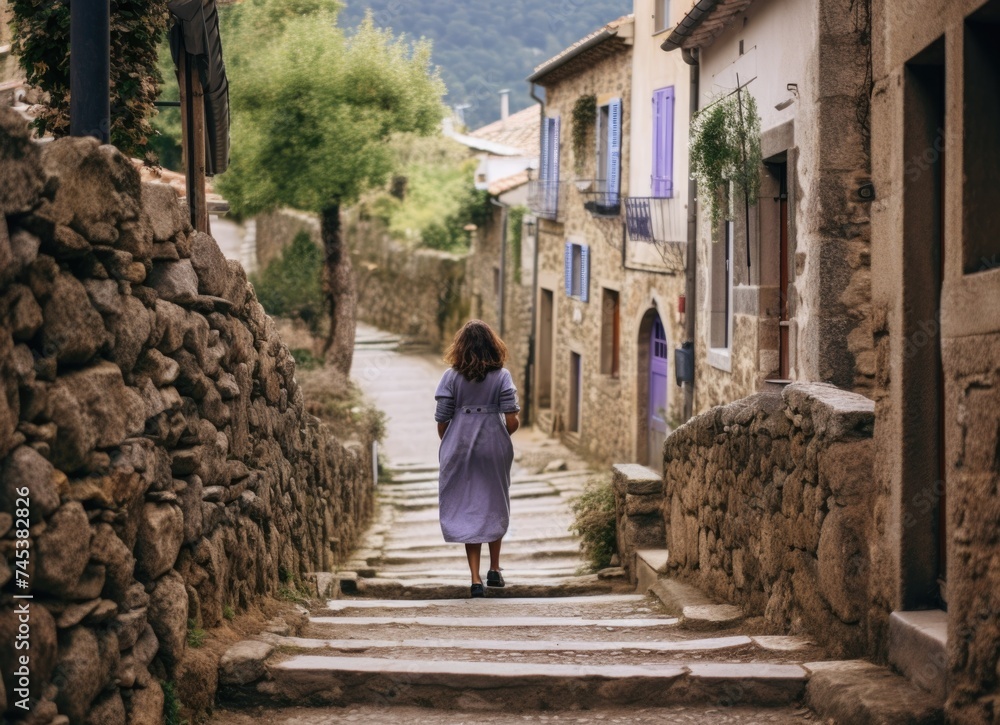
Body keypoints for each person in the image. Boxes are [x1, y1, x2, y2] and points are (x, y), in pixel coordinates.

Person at [434, 320, 520, 598]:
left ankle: (475, 580)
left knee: (468, 507)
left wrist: (454, 443)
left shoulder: (450, 377)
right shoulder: (502, 376)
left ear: (460, 346)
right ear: (493, 345)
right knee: (495, 502)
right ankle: (495, 568)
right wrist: (498, 435)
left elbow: (442, 419)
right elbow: (512, 418)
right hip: (494, 444)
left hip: (458, 444)